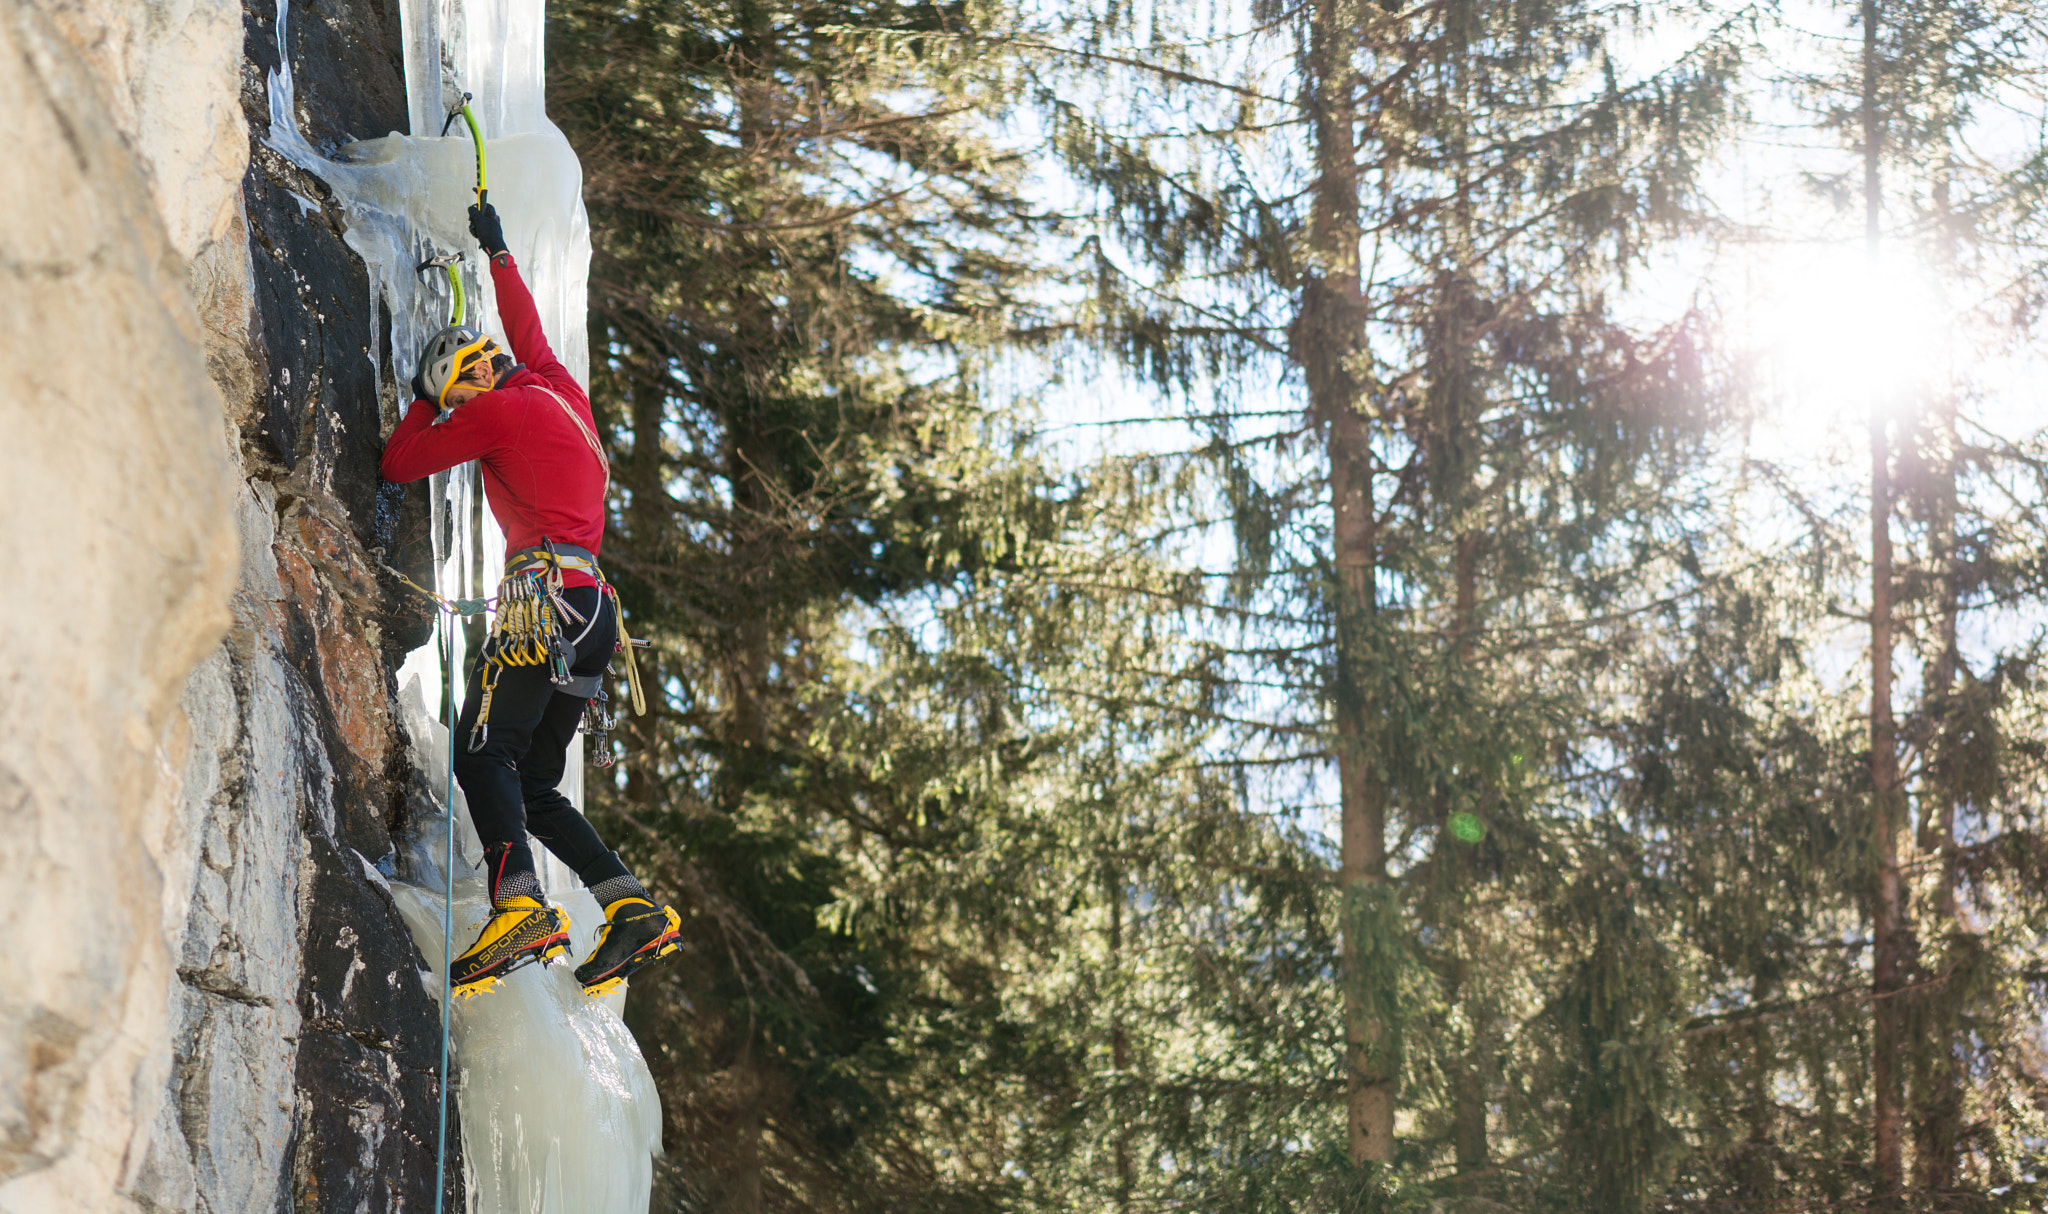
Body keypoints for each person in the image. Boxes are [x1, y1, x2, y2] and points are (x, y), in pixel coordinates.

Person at [382, 200, 679, 999]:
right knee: (537, 783)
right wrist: (500, 251)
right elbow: (530, 329)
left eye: (458, 398)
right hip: (593, 614)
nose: (458, 415)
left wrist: (425, 396)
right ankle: (632, 908)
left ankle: (521, 908)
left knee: (484, 753)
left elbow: (400, 462)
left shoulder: (499, 412)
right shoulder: (553, 389)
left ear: (470, 380)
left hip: (541, 603)